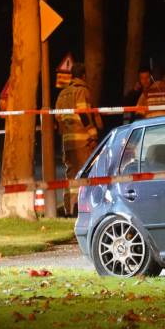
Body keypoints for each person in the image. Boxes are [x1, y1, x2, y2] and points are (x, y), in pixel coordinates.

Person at [54, 62, 104, 216]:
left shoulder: (63, 93)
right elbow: (83, 114)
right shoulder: (82, 91)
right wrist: (93, 134)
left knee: (71, 176)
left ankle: (69, 209)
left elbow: (58, 117)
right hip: (82, 141)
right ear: (83, 76)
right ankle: (81, 210)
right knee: (84, 175)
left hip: (67, 142)